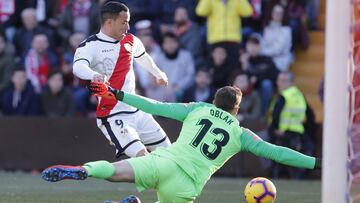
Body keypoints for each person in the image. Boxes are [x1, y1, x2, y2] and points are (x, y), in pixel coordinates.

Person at [42, 83, 321, 203]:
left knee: (117, 172)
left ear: (214, 101)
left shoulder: (196, 109)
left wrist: (116, 94)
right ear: (236, 110)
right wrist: (317, 162)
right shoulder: (240, 133)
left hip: (164, 161)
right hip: (187, 184)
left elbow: (154, 105)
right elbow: (277, 152)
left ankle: (86, 170)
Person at [71, 2, 170, 158]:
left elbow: (142, 56)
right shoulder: (90, 45)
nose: (128, 27)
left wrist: (158, 73)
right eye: (124, 22)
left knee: (168, 155)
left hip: (138, 110)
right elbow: (78, 67)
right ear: (109, 22)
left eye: (128, 22)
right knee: (142, 158)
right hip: (113, 114)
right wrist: (92, 75)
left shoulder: (131, 40)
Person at [268, 71, 316, 179]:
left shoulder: (284, 96)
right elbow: (311, 115)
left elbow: (276, 115)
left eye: (284, 81)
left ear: (291, 83)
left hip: (283, 134)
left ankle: (275, 174)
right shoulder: (300, 95)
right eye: (279, 80)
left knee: (261, 145)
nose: (280, 83)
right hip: (299, 133)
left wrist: (275, 129)